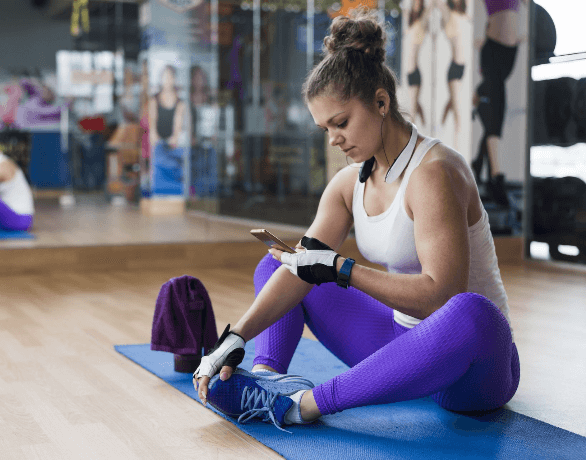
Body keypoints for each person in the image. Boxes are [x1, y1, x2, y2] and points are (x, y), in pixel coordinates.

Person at [192, 8, 518, 430]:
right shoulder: (348, 184)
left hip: (470, 365)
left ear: (381, 102)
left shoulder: (434, 173)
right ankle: (268, 383)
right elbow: (301, 269)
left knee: (470, 311)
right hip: (401, 344)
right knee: (281, 263)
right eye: (325, 128)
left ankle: (304, 405)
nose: (334, 139)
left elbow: (441, 297)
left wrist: (342, 268)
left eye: (341, 123)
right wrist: (233, 338)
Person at [471, 0, 528, 205]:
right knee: (497, 112)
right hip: (493, 50)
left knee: (495, 110)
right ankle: (497, 177)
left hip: (510, 53)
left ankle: (477, 165)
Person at [149, 65, 187, 195]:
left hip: (173, 146)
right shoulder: (154, 100)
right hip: (158, 145)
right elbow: (152, 122)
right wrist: (155, 139)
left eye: (170, 77)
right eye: (165, 77)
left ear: (174, 79)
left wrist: (174, 139)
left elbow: (178, 124)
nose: (167, 80)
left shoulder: (180, 102)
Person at [438, 0, 468, 150]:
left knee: (451, 103)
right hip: (454, 69)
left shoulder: (463, 14)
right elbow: (440, 5)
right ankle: (457, 146)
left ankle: (440, 128)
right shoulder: (449, 16)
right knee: (457, 109)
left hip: (462, 67)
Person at [404, 0, 431, 127]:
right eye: (415, 3)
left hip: (414, 71)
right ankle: (425, 126)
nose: (417, 5)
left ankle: (413, 139)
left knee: (413, 110)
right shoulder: (410, 22)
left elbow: (428, 10)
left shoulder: (421, 23)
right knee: (415, 104)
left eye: (419, 3)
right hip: (409, 71)